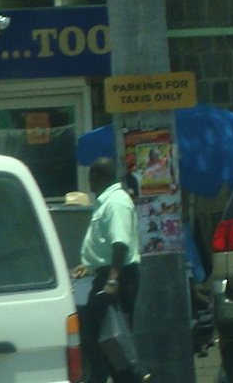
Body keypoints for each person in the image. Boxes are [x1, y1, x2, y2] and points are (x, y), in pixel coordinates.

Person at [75, 158, 139, 383]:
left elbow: (120, 244)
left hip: (117, 278)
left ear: (98, 176)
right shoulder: (106, 201)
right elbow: (106, 243)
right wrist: (90, 265)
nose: (89, 180)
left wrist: (112, 280)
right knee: (105, 339)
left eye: (91, 175)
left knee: (101, 336)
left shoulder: (116, 202)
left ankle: (129, 378)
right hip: (106, 274)